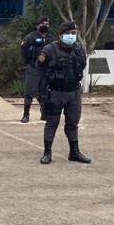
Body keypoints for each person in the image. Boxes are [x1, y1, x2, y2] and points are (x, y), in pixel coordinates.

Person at [37, 20, 90, 165]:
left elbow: (82, 66)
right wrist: (40, 93)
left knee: (73, 122)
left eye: (74, 33)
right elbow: (40, 69)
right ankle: (47, 153)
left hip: (73, 92)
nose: (71, 35)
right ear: (61, 35)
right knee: (52, 122)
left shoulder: (79, 48)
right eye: (68, 33)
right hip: (55, 92)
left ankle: (74, 152)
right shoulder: (49, 49)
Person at [19, 16, 54, 123]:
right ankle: (26, 115)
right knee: (29, 91)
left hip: (46, 68)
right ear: (37, 26)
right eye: (42, 24)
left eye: (47, 24)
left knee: (44, 92)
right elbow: (23, 49)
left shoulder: (50, 37)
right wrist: (28, 63)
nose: (45, 26)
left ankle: (44, 114)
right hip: (34, 67)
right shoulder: (31, 36)